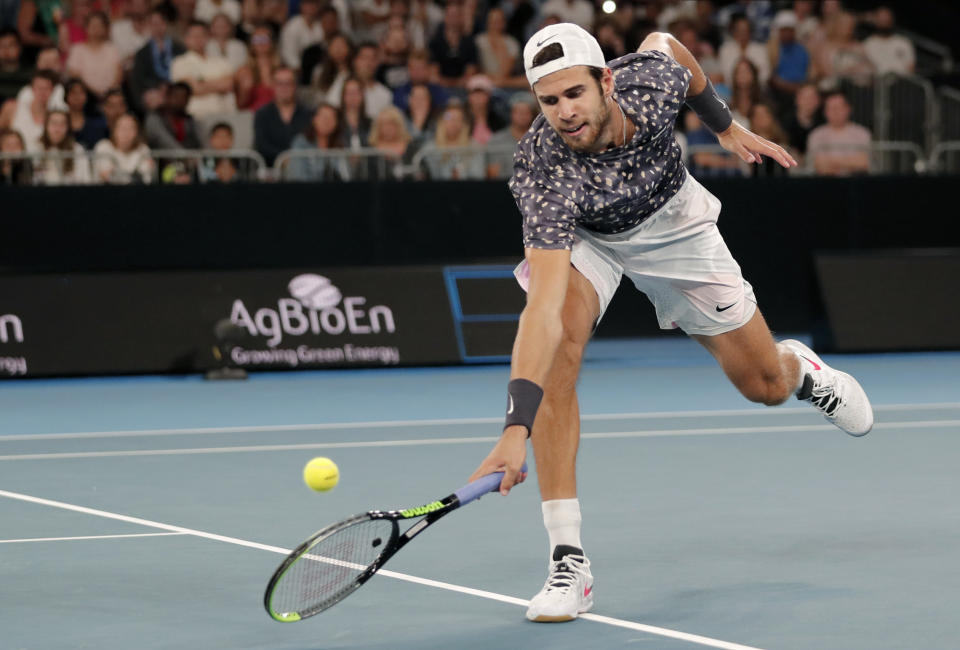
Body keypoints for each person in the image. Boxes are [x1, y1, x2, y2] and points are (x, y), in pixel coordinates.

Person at [467, 23, 874, 624]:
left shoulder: (649, 82)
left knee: (763, 386)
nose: (564, 113)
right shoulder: (543, 172)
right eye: (548, 101)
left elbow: (670, 44)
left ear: (606, 81)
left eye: (574, 93)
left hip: (673, 222)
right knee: (560, 356)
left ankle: (801, 373)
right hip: (591, 237)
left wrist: (724, 124)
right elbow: (544, 312)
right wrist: (514, 427)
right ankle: (568, 560)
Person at [171, 20, 236, 117]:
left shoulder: (221, 61)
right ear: (186, 39)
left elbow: (229, 85)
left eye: (201, 35)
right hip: (196, 115)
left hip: (224, 113)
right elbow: (191, 89)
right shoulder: (179, 62)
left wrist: (201, 82)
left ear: (208, 38)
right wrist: (218, 84)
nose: (198, 39)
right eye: (194, 36)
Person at [130, 7, 186, 112]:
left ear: (166, 25)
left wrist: (170, 87)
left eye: (161, 23)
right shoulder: (142, 53)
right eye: (154, 24)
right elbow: (139, 79)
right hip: (153, 92)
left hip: (176, 89)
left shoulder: (179, 48)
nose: (158, 28)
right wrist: (157, 87)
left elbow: (186, 70)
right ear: (149, 26)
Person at [253, 65, 309, 165]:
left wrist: (294, 160)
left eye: (288, 83)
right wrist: (284, 159)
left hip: (303, 169)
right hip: (271, 170)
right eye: (279, 83)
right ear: (273, 86)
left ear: (295, 86)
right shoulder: (262, 114)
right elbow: (261, 145)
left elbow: (311, 143)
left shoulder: (308, 114)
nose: (284, 88)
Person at [806, 90, 870, 176]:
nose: (835, 112)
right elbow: (817, 164)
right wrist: (851, 162)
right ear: (825, 112)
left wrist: (830, 162)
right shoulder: (816, 135)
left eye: (839, 107)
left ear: (848, 109)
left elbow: (865, 162)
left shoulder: (862, 134)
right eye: (831, 108)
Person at [65, 11, 123, 98]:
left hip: (110, 96)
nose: (96, 28)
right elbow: (75, 75)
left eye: (100, 25)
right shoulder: (77, 50)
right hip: (85, 96)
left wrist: (108, 93)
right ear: (86, 27)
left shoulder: (112, 49)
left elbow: (119, 74)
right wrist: (93, 93)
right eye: (93, 25)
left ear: (105, 29)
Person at [287, 102, 348, 181]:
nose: (327, 122)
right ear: (314, 119)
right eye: (323, 117)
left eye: (331, 118)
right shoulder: (300, 143)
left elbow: (346, 176)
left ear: (336, 123)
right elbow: (298, 175)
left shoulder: (339, 146)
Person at [486, 90, 537, 178]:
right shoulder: (496, 140)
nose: (522, 116)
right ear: (511, 113)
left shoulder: (540, 139)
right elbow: (492, 173)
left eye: (526, 112)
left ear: (532, 115)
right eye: (519, 112)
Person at [428, 0, 477, 87]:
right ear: (445, 17)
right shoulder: (435, 42)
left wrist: (458, 83)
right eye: (451, 15)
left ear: (461, 18)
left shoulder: (469, 42)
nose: (453, 19)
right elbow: (433, 75)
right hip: (440, 87)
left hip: (464, 87)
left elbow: (470, 73)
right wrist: (451, 83)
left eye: (456, 15)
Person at [93, 112, 154, 182]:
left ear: (137, 132)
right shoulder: (103, 146)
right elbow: (106, 176)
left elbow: (146, 178)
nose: (126, 132)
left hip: (137, 191)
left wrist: (116, 173)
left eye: (131, 128)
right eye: (122, 128)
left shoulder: (143, 149)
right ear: (114, 130)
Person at [35, 108, 91, 183]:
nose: (57, 129)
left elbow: (86, 181)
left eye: (62, 124)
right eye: (54, 123)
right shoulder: (36, 149)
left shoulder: (77, 150)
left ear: (68, 128)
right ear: (46, 126)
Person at [143, 80, 201, 149]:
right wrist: (187, 156)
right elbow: (165, 141)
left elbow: (198, 143)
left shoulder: (189, 121)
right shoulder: (155, 118)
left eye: (184, 98)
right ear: (168, 97)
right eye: (176, 96)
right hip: (162, 158)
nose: (180, 101)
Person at [235, 23, 280, 111]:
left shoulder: (281, 70)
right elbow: (240, 105)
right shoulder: (244, 71)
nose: (261, 43)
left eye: (264, 39)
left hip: (277, 115)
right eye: (257, 39)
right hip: (253, 116)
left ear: (271, 42)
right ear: (251, 44)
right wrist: (245, 91)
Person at [717, 13, 770, 86]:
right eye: (739, 30)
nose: (743, 33)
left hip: (757, 89)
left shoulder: (760, 49)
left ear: (750, 32)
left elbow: (765, 74)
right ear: (734, 32)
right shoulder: (725, 49)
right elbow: (725, 75)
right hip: (731, 90)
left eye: (745, 30)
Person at [863, 5, 914, 76]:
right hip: (877, 84)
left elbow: (911, 67)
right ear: (875, 20)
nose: (884, 21)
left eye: (887, 18)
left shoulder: (904, 42)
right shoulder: (867, 44)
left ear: (892, 19)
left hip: (902, 83)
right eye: (881, 18)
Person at [474, 6, 519, 86]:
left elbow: (506, 72)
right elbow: (476, 68)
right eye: (492, 20)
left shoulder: (512, 43)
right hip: (483, 80)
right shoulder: (479, 41)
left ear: (504, 23)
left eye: (498, 20)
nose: (495, 23)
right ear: (487, 22)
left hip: (505, 81)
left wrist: (499, 44)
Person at [64, 78, 108, 149]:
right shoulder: (60, 122)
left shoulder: (97, 123)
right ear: (66, 96)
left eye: (81, 92)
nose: (77, 97)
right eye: (73, 92)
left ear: (86, 96)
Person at [279, 0, 322, 69]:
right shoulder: (292, 26)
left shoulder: (321, 25)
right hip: (297, 70)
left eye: (314, 4)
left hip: (318, 70)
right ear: (301, 6)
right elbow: (289, 55)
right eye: (308, 4)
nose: (311, 7)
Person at [464, 73, 503, 144]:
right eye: (474, 93)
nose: (478, 97)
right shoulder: (461, 119)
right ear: (469, 96)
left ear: (489, 96)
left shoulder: (498, 121)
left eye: (482, 93)